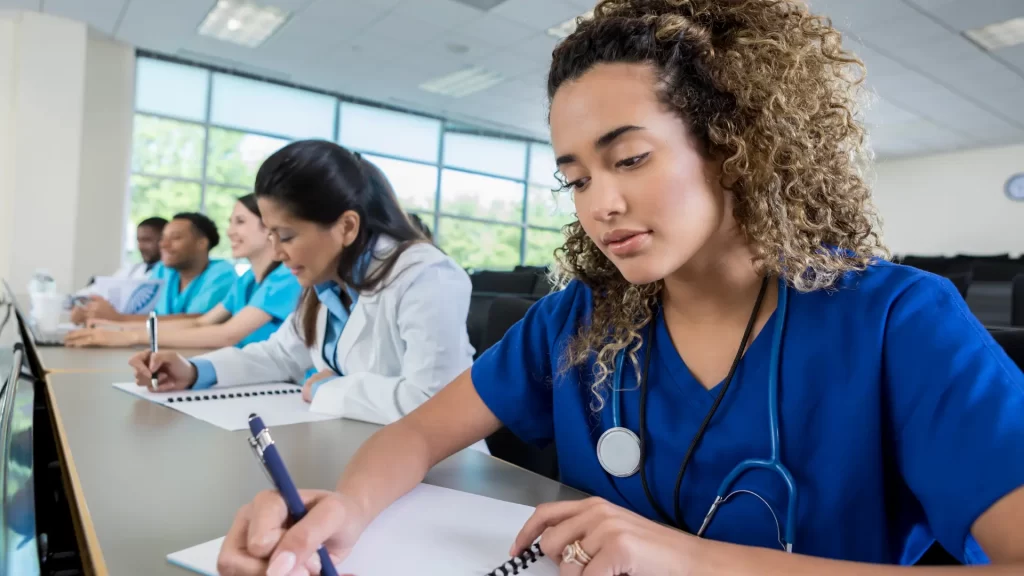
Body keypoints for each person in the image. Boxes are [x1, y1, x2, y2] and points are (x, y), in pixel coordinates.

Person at [216, 1, 1024, 575]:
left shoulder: (899, 324)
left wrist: (694, 562)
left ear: (735, 143)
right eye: (575, 178)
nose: (600, 204)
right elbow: (415, 436)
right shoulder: (580, 319)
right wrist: (343, 510)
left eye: (630, 158)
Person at [127, 140, 476, 428]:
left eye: (287, 236)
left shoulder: (425, 276)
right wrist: (192, 371)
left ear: (347, 227)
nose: (277, 252)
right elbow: (279, 354)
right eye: (272, 234)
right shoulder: (328, 282)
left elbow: (433, 402)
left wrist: (332, 389)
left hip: (443, 472)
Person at [65, 195, 301, 349]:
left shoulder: (285, 277)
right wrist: (116, 328)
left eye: (240, 222)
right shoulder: (248, 279)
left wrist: (130, 335)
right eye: (230, 222)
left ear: (269, 225)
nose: (229, 232)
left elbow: (227, 335)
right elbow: (201, 323)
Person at [78, 212, 238, 324]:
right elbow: (142, 312)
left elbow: (198, 320)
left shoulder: (222, 274)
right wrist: (92, 313)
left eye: (175, 238)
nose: (163, 244)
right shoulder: (164, 271)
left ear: (202, 243)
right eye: (163, 238)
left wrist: (118, 318)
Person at [70, 216, 167, 324]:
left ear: (164, 240)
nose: (141, 247)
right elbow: (93, 292)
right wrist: (82, 306)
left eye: (147, 240)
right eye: (139, 241)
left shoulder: (171, 273)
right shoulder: (131, 270)